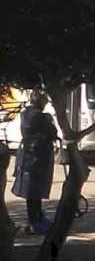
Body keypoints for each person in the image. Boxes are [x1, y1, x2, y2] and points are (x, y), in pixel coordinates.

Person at [12, 90, 58, 235]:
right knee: (34, 191)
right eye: (44, 101)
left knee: (33, 192)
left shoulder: (25, 114)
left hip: (28, 156)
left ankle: (37, 218)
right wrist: (50, 121)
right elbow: (53, 133)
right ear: (40, 102)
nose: (45, 104)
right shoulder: (42, 117)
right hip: (37, 157)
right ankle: (35, 222)